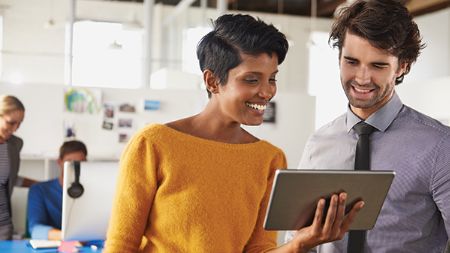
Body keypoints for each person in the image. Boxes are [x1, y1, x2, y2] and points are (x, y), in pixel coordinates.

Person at [104, 14, 363, 253]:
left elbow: (259, 249)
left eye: (271, 78)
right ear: (212, 81)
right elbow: (121, 244)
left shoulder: (269, 159)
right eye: (252, 79)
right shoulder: (153, 144)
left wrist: (298, 244)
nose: (266, 92)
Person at [285, 0, 450, 252]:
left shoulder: (439, 146)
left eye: (378, 65)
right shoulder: (319, 143)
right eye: (351, 62)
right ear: (339, 57)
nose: (362, 78)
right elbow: (296, 241)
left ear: (402, 66)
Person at [27, 140, 87, 240]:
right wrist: (70, 238)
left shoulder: (94, 192)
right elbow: (35, 230)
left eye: (80, 162)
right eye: (69, 162)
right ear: (59, 162)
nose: (75, 167)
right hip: (55, 245)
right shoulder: (39, 190)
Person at [0, 95, 38, 240]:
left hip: (3, 224)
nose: (15, 129)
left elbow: (10, 179)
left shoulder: (15, 144)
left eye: (20, 123)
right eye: (11, 123)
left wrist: (40, 185)